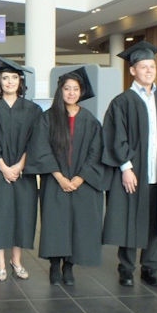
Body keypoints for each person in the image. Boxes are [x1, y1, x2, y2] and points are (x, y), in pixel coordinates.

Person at [102, 41, 157, 288]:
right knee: (131, 218)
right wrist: (126, 168)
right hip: (134, 172)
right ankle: (127, 268)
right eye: (143, 66)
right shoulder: (123, 101)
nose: (149, 70)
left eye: (152, 66)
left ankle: (151, 268)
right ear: (133, 70)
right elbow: (115, 137)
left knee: (156, 219)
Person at [30, 67, 105, 285]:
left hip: (83, 182)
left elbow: (96, 151)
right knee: (55, 222)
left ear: (81, 92)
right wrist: (60, 177)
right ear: (60, 91)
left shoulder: (90, 120)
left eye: (75, 89)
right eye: (67, 88)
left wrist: (81, 177)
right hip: (55, 181)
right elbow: (41, 148)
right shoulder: (48, 118)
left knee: (79, 223)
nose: (71, 93)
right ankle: (55, 266)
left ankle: (69, 266)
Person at [0, 56, 42, 282]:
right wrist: (4, 166)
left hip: (23, 172)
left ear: (20, 81)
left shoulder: (33, 110)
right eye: (5, 78)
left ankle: (16, 261)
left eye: (14, 78)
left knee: (21, 215)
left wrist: (19, 166)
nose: (9, 82)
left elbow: (36, 141)